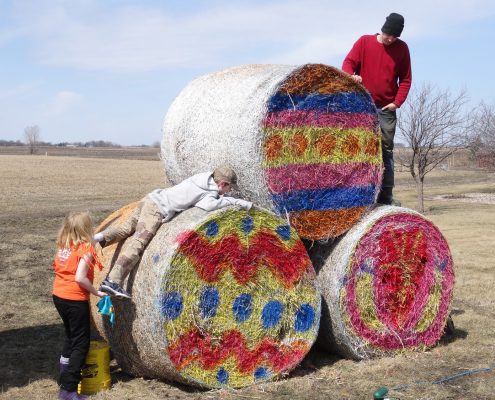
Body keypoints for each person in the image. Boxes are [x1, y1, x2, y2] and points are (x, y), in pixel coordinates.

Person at [95, 165, 252, 299]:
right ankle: (112, 282)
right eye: (229, 188)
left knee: (125, 228)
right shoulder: (210, 191)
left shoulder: (202, 178)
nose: (228, 192)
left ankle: (96, 238)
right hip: (157, 209)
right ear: (222, 184)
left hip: (150, 198)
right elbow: (209, 205)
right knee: (138, 243)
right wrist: (239, 202)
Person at [342, 12, 412, 205]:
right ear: (383, 29)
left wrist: (396, 103)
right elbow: (348, 63)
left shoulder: (402, 49)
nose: (391, 39)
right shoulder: (364, 42)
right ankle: (357, 194)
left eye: (395, 37)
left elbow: (405, 79)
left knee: (386, 151)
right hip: (362, 107)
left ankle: (385, 196)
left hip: (386, 109)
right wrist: (351, 76)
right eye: (389, 35)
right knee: (359, 148)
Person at [52, 212, 106, 400]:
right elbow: (80, 277)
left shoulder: (64, 245)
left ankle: (63, 376)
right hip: (74, 299)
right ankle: (68, 390)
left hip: (58, 295)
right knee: (81, 344)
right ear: (86, 228)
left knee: (71, 337)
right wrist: (96, 292)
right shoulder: (86, 249)